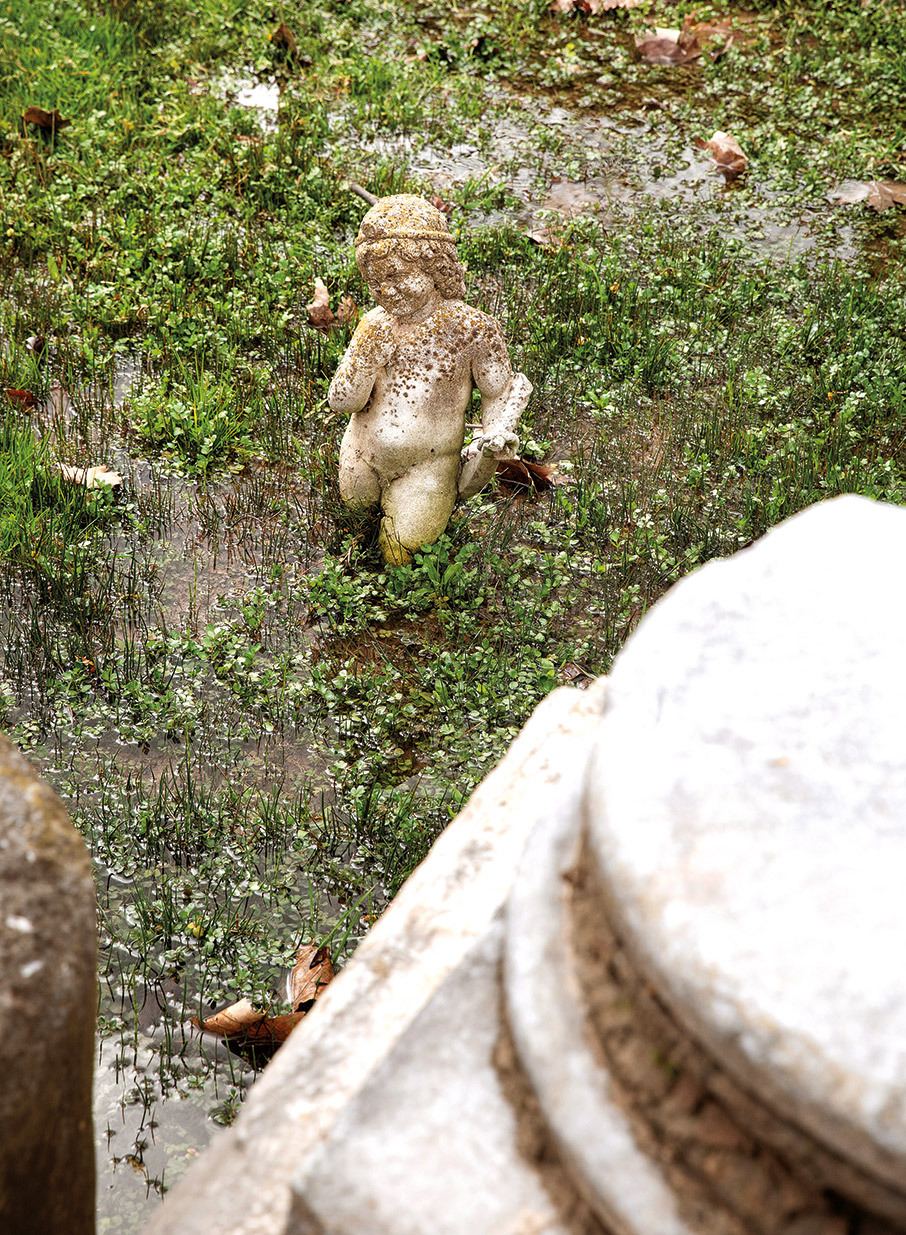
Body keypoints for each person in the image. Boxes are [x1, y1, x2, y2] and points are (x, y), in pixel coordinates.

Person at [328, 195, 532, 565]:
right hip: (362, 454)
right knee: (355, 519)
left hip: (427, 466)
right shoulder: (374, 325)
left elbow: (498, 392)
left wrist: (494, 434)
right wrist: (367, 357)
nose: (386, 291)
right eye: (374, 282)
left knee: (399, 553)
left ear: (435, 268)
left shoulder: (472, 329)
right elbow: (343, 402)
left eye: (396, 276)